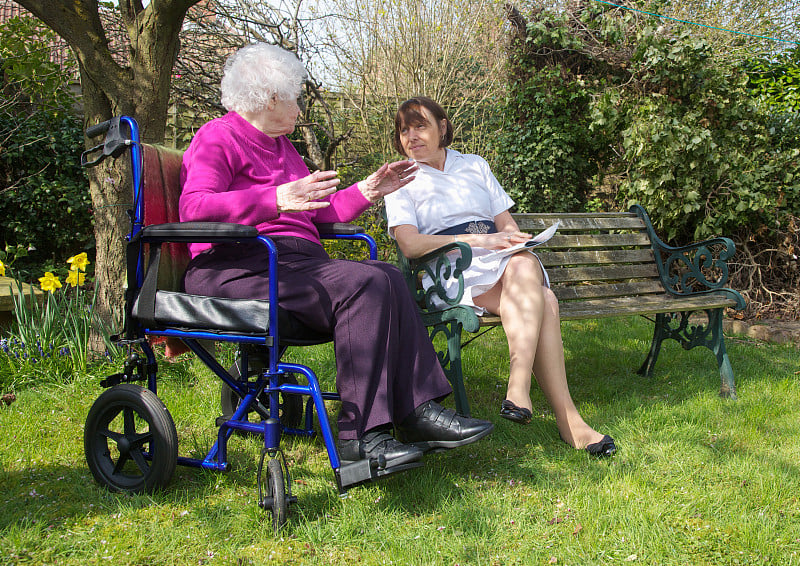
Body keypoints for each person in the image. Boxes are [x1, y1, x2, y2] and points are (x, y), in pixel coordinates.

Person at [179, 45, 493, 472]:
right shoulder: (218, 136)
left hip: (291, 261)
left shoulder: (282, 147)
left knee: (386, 275)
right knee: (364, 283)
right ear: (270, 97)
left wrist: (369, 190)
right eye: (294, 96)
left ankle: (416, 412)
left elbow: (318, 211)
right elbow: (194, 207)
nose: (299, 105)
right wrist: (273, 198)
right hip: (237, 264)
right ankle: (360, 439)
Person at [384, 96, 616, 457]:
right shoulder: (401, 180)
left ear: (442, 127)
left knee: (526, 265)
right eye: (403, 130)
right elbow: (410, 244)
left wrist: (513, 238)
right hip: (448, 270)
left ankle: (523, 389)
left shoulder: (474, 165)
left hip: (498, 261)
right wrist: (478, 239)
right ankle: (566, 418)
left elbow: (506, 223)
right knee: (546, 299)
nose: (411, 136)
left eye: (420, 126)